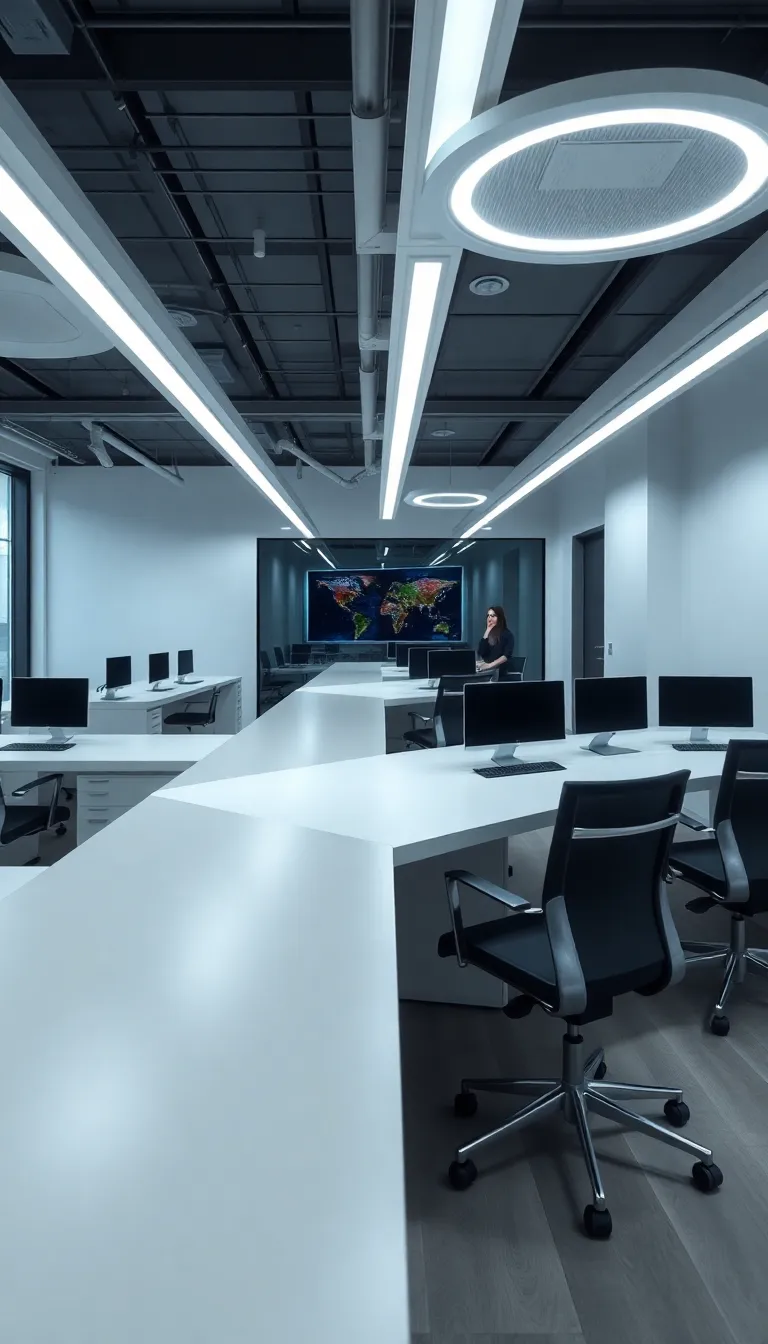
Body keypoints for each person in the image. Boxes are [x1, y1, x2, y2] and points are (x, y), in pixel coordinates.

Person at [477, 605, 515, 678]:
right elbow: (481, 652)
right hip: (488, 670)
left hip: (500, 670)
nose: (489, 618)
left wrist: (489, 665)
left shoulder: (508, 634)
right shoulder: (489, 634)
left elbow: (506, 656)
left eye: (493, 616)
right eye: (488, 616)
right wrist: (487, 630)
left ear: (500, 618)